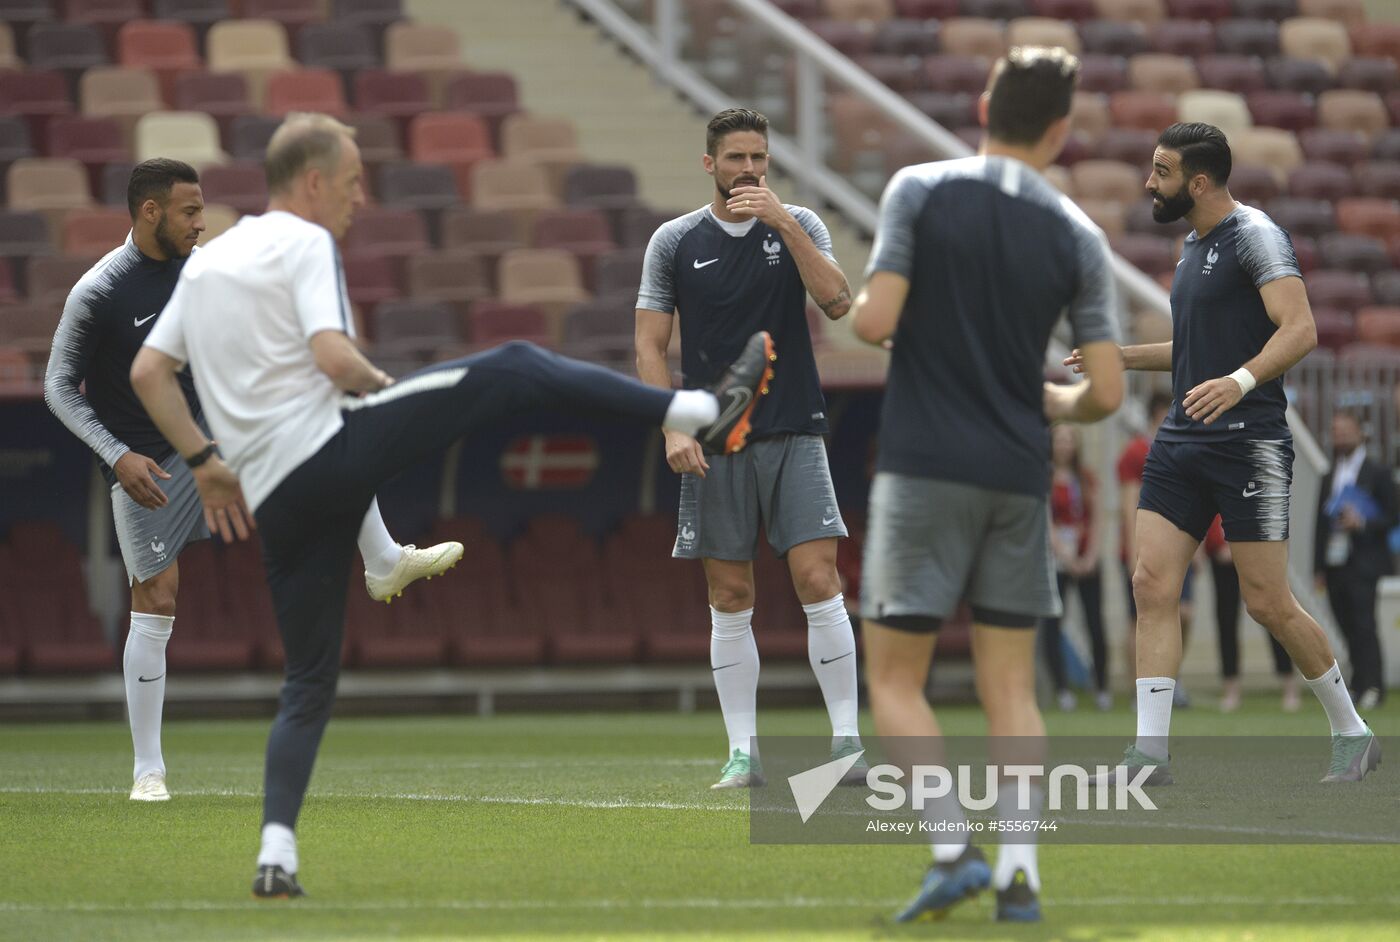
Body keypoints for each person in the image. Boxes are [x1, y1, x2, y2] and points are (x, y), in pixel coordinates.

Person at [130, 113, 773, 897]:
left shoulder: (205, 265)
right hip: (333, 455)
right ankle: (699, 412)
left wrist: (204, 461)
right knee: (514, 364)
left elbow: (148, 374)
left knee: (307, 683)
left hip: (275, 499)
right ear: (312, 182)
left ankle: (276, 855)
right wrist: (394, 399)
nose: (360, 199)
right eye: (354, 181)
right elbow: (332, 356)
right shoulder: (302, 242)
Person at [42, 158, 462, 805]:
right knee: (155, 597)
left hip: (214, 432)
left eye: (201, 208)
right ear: (149, 211)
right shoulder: (98, 290)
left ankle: (384, 561)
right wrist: (116, 453)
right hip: (147, 461)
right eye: (188, 211)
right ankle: (147, 770)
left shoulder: (205, 268)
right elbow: (56, 388)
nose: (199, 222)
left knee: (320, 427)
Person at [851, 47, 1124, 923]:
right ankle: (1020, 878)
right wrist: (1053, 399)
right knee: (1012, 688)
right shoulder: (1081, 235)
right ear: (1060, 132)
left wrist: (865, 307)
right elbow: (1109, 394)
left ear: (981, 105)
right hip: (1018, 473)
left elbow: (876, 322)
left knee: (895, 679)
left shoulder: (919, 190)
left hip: (924, 465)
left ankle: (947, 846)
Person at [1065, 121, 1379, 785]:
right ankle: (1150, 757)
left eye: (1161, 171)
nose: (1149, 182)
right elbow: (1194, 352)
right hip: (1181, 439)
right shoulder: (1193, 244)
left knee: (1267, 601)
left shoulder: (1256, 236)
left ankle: (1352, 734)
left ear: (1199, 182)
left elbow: (1302, 330)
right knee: (1151, 584)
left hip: (1249, 442)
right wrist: (1119, 357)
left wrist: (1239, 382)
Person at [635, 108, 864, 790]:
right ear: (710, 164)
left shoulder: (800, 225)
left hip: (794, 424)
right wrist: (671, 422)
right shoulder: (674, 241)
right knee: (729, 592)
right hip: (713, 437)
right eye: (736, 159)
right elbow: (649, 344)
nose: (749, 171)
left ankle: (847, 744)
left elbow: (839, 302)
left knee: (819, 579)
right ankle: (743, 752)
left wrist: (784, 223)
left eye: (759, 158)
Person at [1117, 391, 1196, 707]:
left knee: (1185, 614)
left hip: (1177, 545)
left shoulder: (1183, 451)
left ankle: (1168, 678)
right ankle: (1140, 689)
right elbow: (1128, 503)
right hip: (1145, 546)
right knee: (1140, 619)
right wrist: (1132, 548)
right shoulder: (1137, 451)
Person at [1314, 408, 1396, 710]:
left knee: (1364, 624)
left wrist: (1361, 522)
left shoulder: (1378, 472)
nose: (1341, 436)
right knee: (1344, 622)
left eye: (1346, 430)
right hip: (1335, 563)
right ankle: (1360, 682)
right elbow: (1319, 523)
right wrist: (1317, 566)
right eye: (1336, 431)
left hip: (1364, 561)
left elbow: (1392, 515)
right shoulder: (1329, 473)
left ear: (1361, 433)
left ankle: (1374, 684)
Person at [1042, 423, 1111, 712]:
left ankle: (1103, 687)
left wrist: (1090, 556)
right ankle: (1061, 689)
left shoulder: (1086, 479)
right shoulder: (1043, 478)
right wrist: (1065, 556)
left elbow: (1097, 518)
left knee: (1095, 623)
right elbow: (1045, 519)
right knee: (1053, 624)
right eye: (1060, 440)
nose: (1065, 445)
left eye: (1070, 440)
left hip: (1087, 560)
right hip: (1056, 561)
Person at [1209, 515, 1299, 712]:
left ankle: (1289, 686)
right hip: (1222, 559)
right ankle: (1231, 689)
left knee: (1272, 616)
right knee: (1226, 621)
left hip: (1257, 554)